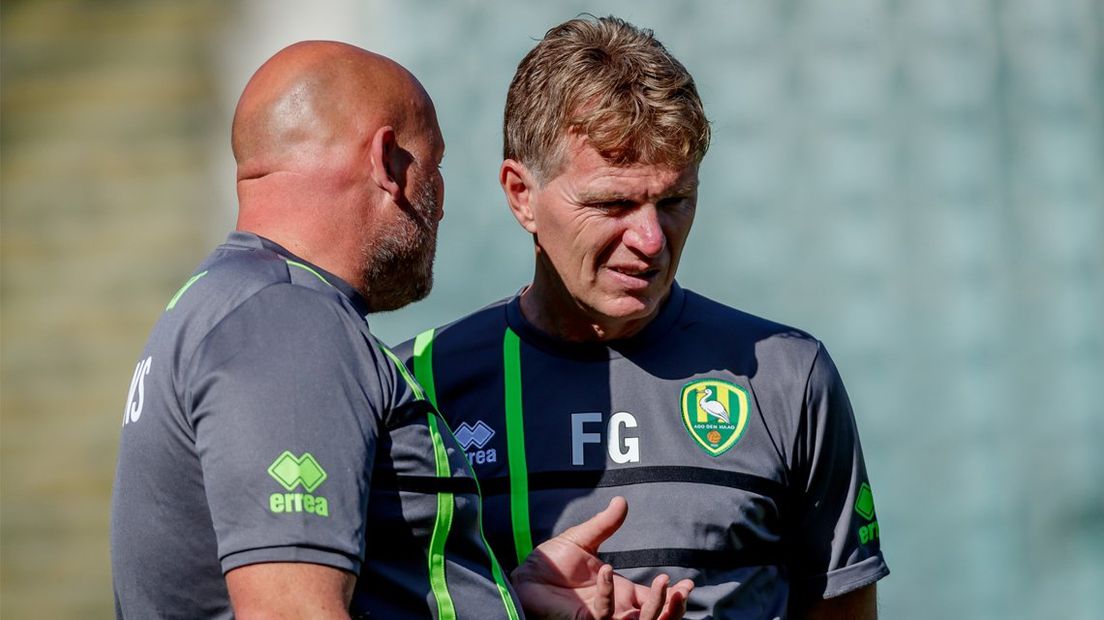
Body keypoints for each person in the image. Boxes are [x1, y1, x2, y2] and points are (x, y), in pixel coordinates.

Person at [109, 40, 692, 620]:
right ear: (387, 163)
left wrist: (507, 602)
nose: (440, 207)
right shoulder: (290, 323)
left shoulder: (222, 302)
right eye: (433, 168)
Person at [397, 16, 889, 619]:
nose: (652, 239)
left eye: (675, 200)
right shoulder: (417, 385)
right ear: (521, 195)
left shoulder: (786, 376)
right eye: (614, 203)